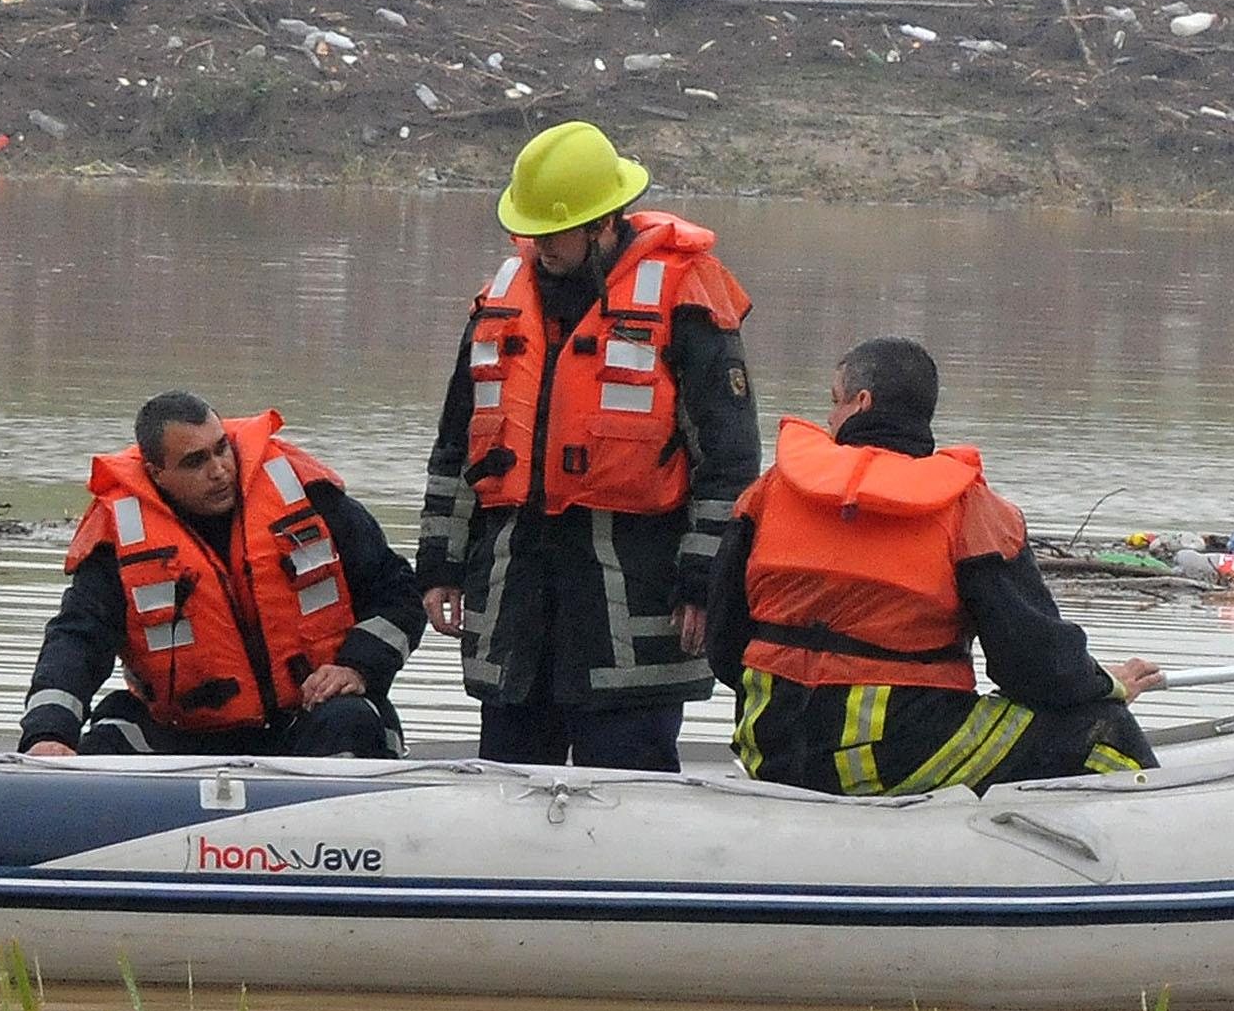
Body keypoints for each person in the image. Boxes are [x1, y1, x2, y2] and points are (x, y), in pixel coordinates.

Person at [417, 120, 760, 771]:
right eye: (531, 233)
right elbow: (457, 447)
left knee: (631, 787)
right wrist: (439, 565)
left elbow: (730, 462)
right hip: (517, 602)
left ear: (604, 223)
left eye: (552, 235)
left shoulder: (683, 302)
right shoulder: (500, 303)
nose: (537, 248)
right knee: (509, 780)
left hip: (634, 595)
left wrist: (703, 582)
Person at [706, 336, 1166, 796]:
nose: (828, 417)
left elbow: (724, 647)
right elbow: (1033, 666)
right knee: (1105, 732)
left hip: (769, 748)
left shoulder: (770, 493)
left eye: (834, 401)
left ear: (861, 403)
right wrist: (1107, 684)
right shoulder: (969, 509)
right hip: (884, 755)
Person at [22, 392, 424, 758]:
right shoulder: (120, 536)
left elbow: (399, 594)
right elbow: (77, 638)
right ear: (156, 473)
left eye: (222, 450)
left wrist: (356, 666)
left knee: (351, 720)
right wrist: (49, 734)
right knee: (111, 735)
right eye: (195, 461)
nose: (218, 471)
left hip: (307, 716)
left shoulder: (306, 495)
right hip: (185, 731)